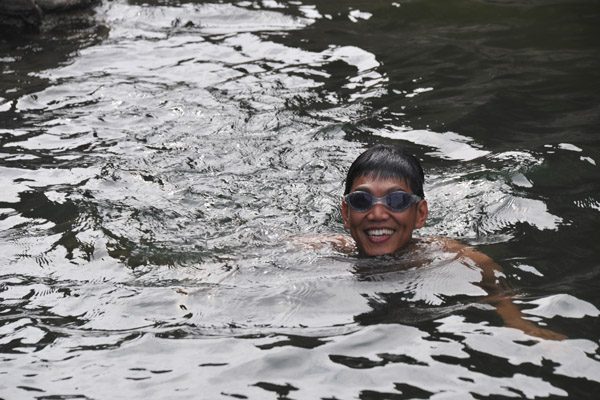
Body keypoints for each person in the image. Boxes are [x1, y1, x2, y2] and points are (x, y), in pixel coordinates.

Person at [308, 144, 565, 340]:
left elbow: (499, 293)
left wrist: (523, 327)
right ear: (345, 213)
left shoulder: (446, 255)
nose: (377, 215)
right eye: (362, 201)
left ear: (420, 214)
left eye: (396, 201)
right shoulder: (324, 250)